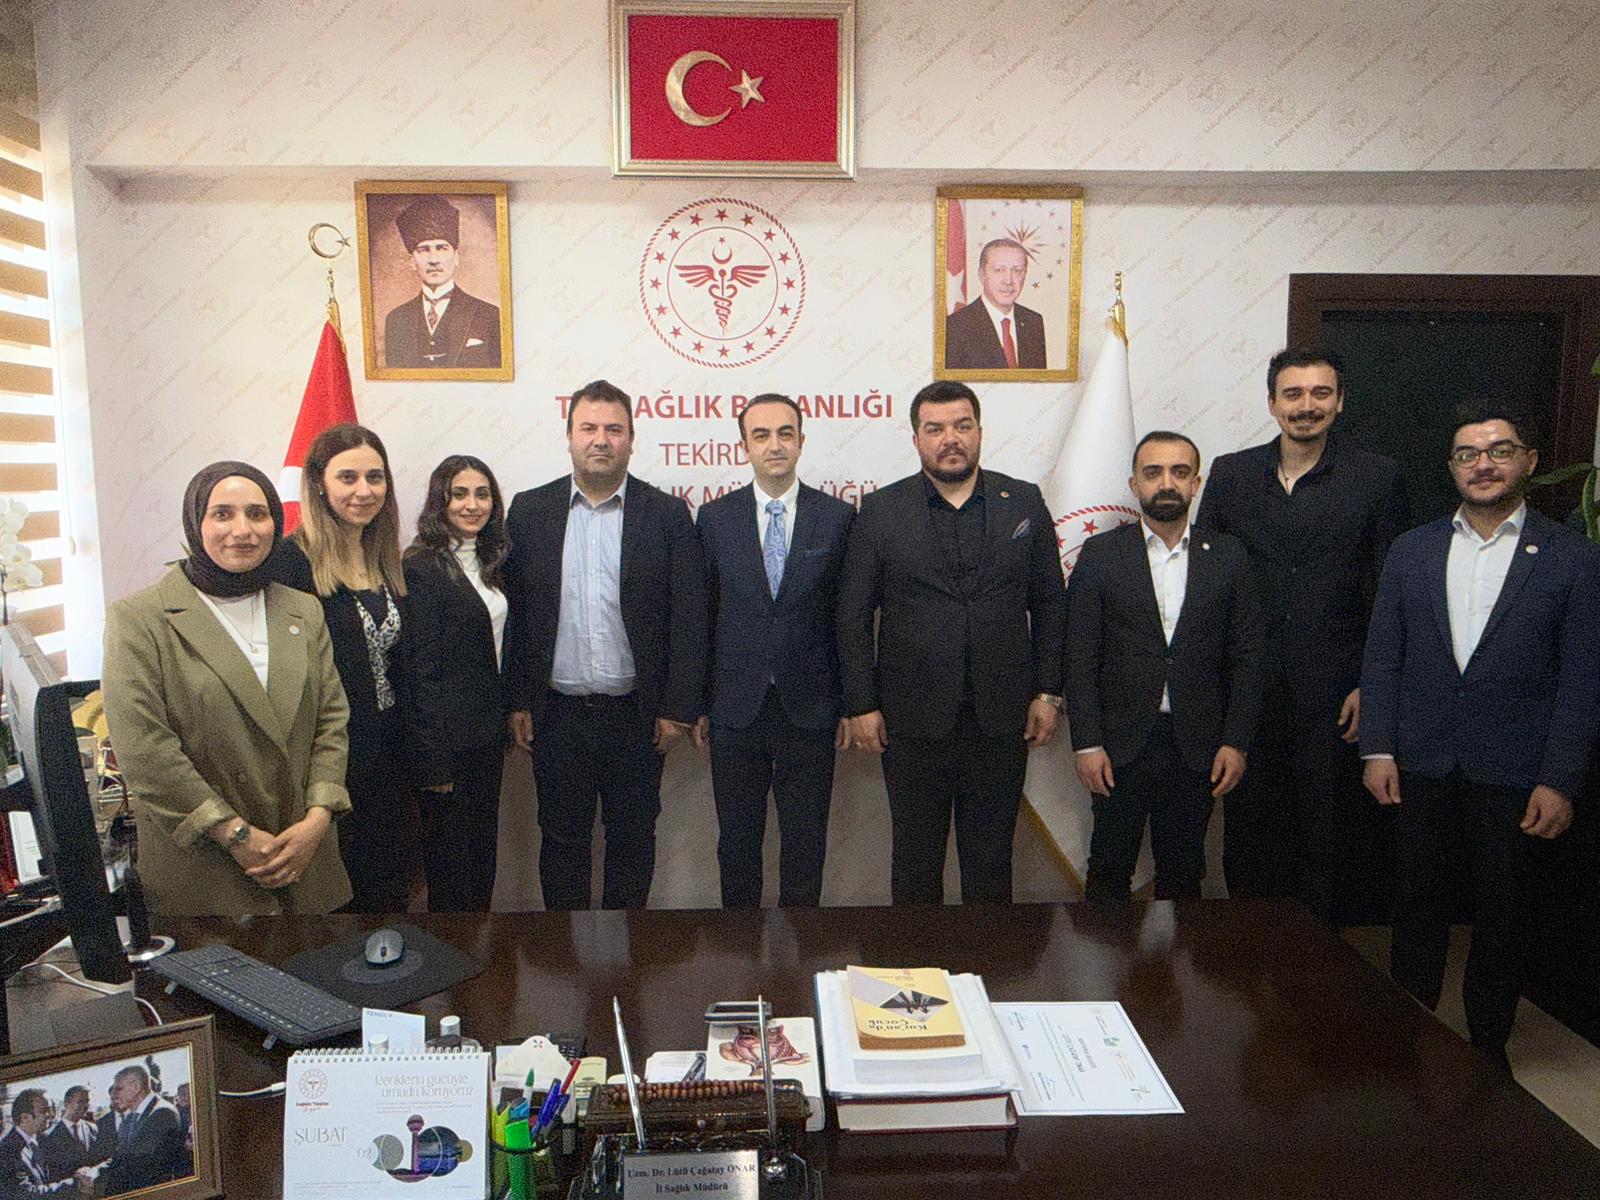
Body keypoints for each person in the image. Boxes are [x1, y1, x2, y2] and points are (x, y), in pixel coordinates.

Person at [1360, 404, 1600, 1066]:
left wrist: (1560, 780)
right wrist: (1377, 747)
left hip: (1516, 771)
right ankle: (1408, 1037)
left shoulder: (1574, 559)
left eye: (1499, 451)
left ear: (1529, 462)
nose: (1483, 465)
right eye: (1467, 454)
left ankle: (1488, 1049)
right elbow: (1383, 658)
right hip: (1421, 764)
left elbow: (1582, 680)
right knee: (1416, 908)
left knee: (1504, 916)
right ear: (1452, 468)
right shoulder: (1413, 550)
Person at [1195, 346, 1408, 921]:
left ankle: (1316, 957)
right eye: (1292, 394)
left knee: (1326, 834)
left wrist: (1372, 685)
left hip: (1336, 691)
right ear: (1272, 403)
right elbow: (1206, 581)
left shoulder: (1377, 477)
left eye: (1320, 393)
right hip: (1248, 689)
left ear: (1339, 402)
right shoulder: (1232, 474)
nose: (1306, 406)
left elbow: (1391, 593)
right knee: (1248, 831)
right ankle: (1251, 950)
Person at [836, 380, 1067, 904]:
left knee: (991, 859)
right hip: (911, 720)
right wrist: (862, 704)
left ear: (979, 431)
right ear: (916, 438)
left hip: (1001, 717)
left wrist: (1048, 693)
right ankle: (917, 958)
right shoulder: (881, 510)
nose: (950, 439)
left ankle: (987, 957)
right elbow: (852, 614)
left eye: (962, 426)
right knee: (915, 861)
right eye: (935, 428)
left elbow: (1051, 604)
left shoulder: (1022, 501)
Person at [102, 462, 352, 917]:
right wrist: (234, 834)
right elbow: (145, 750)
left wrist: (318, 819)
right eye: (222, 514)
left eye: (257, 514)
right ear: (195, 523)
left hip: (304, 860)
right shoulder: (139, 619)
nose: (242, 530)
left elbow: (331, 721)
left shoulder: (303, 609)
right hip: (208, 873)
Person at [502, 380, 708, 910]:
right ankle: (565, 950)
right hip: (557, 715)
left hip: (636, 717)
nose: (600, 440)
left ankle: (627, 951)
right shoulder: (529, 511)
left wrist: (678, 708)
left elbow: (688, 618)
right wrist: (519, 699)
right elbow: (518, 614)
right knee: (561, 842)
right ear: (569, 436)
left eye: (614, 429)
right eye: (588, 428)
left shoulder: (666, 514)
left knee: (633, 841)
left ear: (631, 440)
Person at [1066, 431, 1265, 900]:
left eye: (1179, 472)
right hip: (1119, 744)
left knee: (1183, 872)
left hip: (1197, 743)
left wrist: (1235, 741)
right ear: (1134, 484)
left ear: (1196, 483)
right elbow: (1080, 655)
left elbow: (1247, 657)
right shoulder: (1101, 555)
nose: (1167, 483)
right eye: (1153, 472)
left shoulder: (1230, 556)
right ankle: (1104, 953)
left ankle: (1175, 955)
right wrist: (1087, 743)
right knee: (1109, 868)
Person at [692, 394, 854, 907]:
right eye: (761, 435)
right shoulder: (714, 518)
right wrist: (698, 703)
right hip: (735, 708)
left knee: (806, 844)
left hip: (812, 707)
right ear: (744, 446)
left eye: (785, 433)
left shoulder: (837, 518)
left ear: (801, 441)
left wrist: (850, 703)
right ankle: (742, 948)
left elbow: (848, 619)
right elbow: (702, 617)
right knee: (737, 844)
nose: (775, 445)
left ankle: (800, 947)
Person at [271, 425, 416, 913]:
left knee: (389, 894)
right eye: (347, 477)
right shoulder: (289, 563)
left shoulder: (385, 558)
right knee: (340, 903)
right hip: (329, 761)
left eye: (375, 477)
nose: (364, 491)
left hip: (390, 758)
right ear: (318, 483)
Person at [404, 455, 510, 912]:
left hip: (486, 739)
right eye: (459, 494)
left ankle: (479, 948)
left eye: (482, 494)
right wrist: (433, 763)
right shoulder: (420, 567)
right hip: (446, 747)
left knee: (481, 858)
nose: (472, 505)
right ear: (439, 502)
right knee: (449, 867)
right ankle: (450, 951)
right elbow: (420, 672)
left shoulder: (493, 561)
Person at [381, 194, 502, 370]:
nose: (434, 260)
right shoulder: (397, 320)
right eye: (423, 250)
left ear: (456, 257)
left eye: (441, 248)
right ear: (412, 261)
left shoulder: (488, 315)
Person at [943, 238, 1047, 370]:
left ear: (1025, 275)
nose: (1008, 281)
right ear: (981, 274)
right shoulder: (955, 327)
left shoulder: (1033, 322)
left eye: (1017, 271)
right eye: (999, 270)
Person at [90, 1066, 187, 1195]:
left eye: (118, 1089)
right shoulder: (131, 1116)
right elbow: (121, 1156)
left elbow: (135, 1163)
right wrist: (94, 1172)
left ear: (135, 1087)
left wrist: (93, 1179)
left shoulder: (162, 1113)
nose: (113, 1095)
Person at [40, 1087, 106, 1181]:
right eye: (80, 1101)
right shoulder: (49, 1136)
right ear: (67, 1104)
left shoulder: (93, 1129)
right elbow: (50, 1172)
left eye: (87, 1101)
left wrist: (93, 1171)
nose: (85, 1106)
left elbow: (102, 1158)